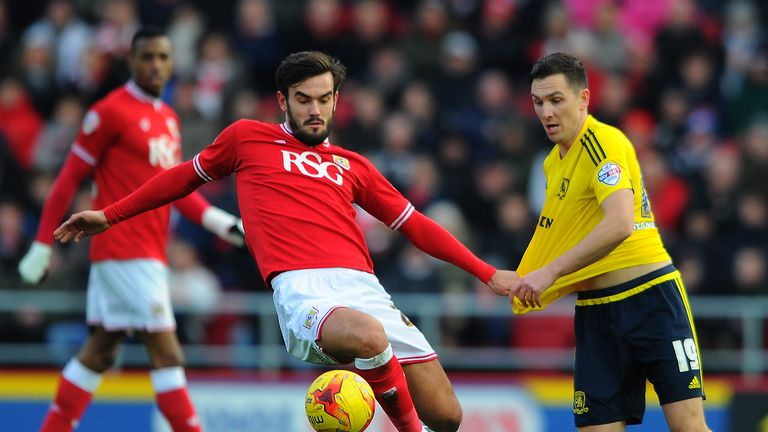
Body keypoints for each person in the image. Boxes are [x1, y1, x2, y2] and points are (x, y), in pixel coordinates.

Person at [52, 51, 517, 432]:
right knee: (368, 339)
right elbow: (178, 179)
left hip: (365, 289)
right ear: (282, 100)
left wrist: (488, 273)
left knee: (449, 416)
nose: (314, 109)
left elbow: (416, 226)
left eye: (324, 99)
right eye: (303, 99)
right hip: (304, 291)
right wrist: (109, 215)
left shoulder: (353, 165)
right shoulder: (245, 140)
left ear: (337, 101)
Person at [18, 28, 243, 432]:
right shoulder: (108, 112)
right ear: (131, 61)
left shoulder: (169, 118)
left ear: (172, 63)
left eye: (163, 57)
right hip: (123, 250)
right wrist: (41, 244)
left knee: (100, 352)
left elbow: (175, 189)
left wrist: (220, 223)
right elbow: (69, 179)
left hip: (150, 251)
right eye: (147, 57)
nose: (155, 65)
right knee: (167, 351)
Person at [509, 52, 710, 431]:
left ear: (583, 99)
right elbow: (559, 237)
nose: (546, 113)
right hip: (597, 311)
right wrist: (522, 276)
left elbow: (619, 223)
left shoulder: (604, 142)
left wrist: (548, 273)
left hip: (651, 299)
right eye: (538, 103)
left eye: (556, 100)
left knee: (688, 426)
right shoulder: (552, 164)